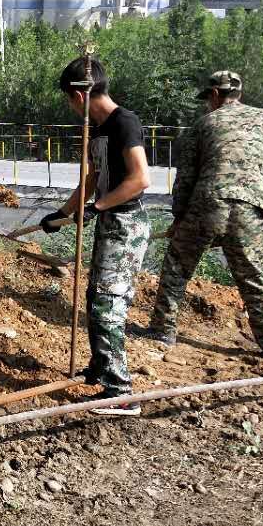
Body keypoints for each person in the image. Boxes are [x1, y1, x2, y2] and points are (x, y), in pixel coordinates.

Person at [144, 70, 263, 363]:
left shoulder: (202, 124)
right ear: (238, 94)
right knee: (254, 277)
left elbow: (185, 178)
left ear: (214, 95)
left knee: (177, 267)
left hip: (207, 203)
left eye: (207, 99)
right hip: (249, 207)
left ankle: (163, 331)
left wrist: (179, 218)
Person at [39, 56, 152, 415]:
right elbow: (92, 178)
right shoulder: (98, 129)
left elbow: (140, 179)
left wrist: (97, 207)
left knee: (107, 304)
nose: (70, 107)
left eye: (68, 100)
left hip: (126, 224)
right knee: (95, 298)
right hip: (109, 221)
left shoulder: (124, 123)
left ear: (78, 96)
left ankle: (120, 393)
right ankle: (102, 367)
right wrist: (63, 213)